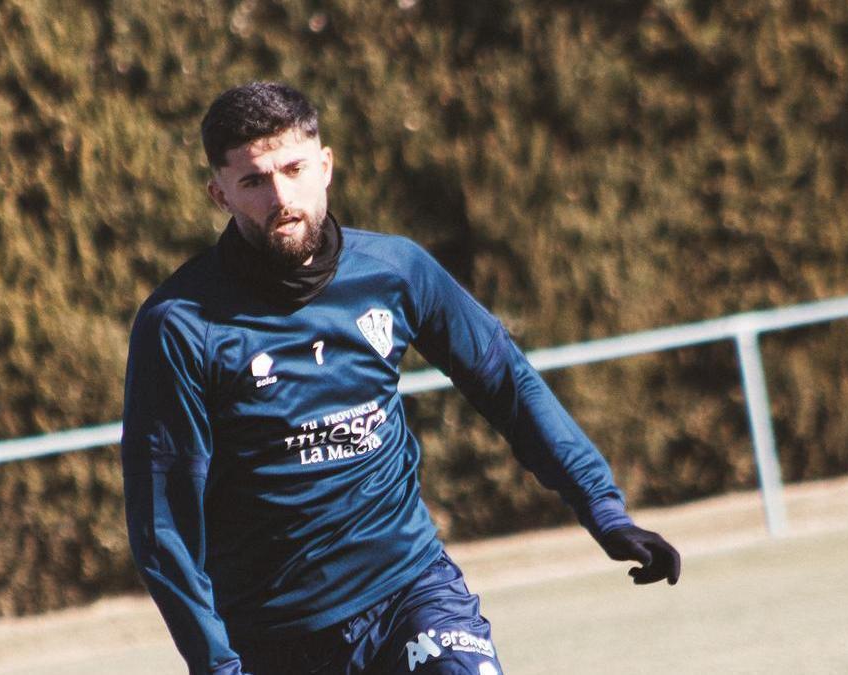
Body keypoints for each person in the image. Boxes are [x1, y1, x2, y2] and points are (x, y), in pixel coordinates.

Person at [121, 81, 680, 675]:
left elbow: (507, 385)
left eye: (294, 168)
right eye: (255, 181)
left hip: (411, 594)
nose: (281, 196)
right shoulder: (180, 325)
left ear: (326, 166)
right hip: (274, 636)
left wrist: (603, 507)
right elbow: (163, 523)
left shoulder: (396, 271)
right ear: (219, 193)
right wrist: (217, 666)